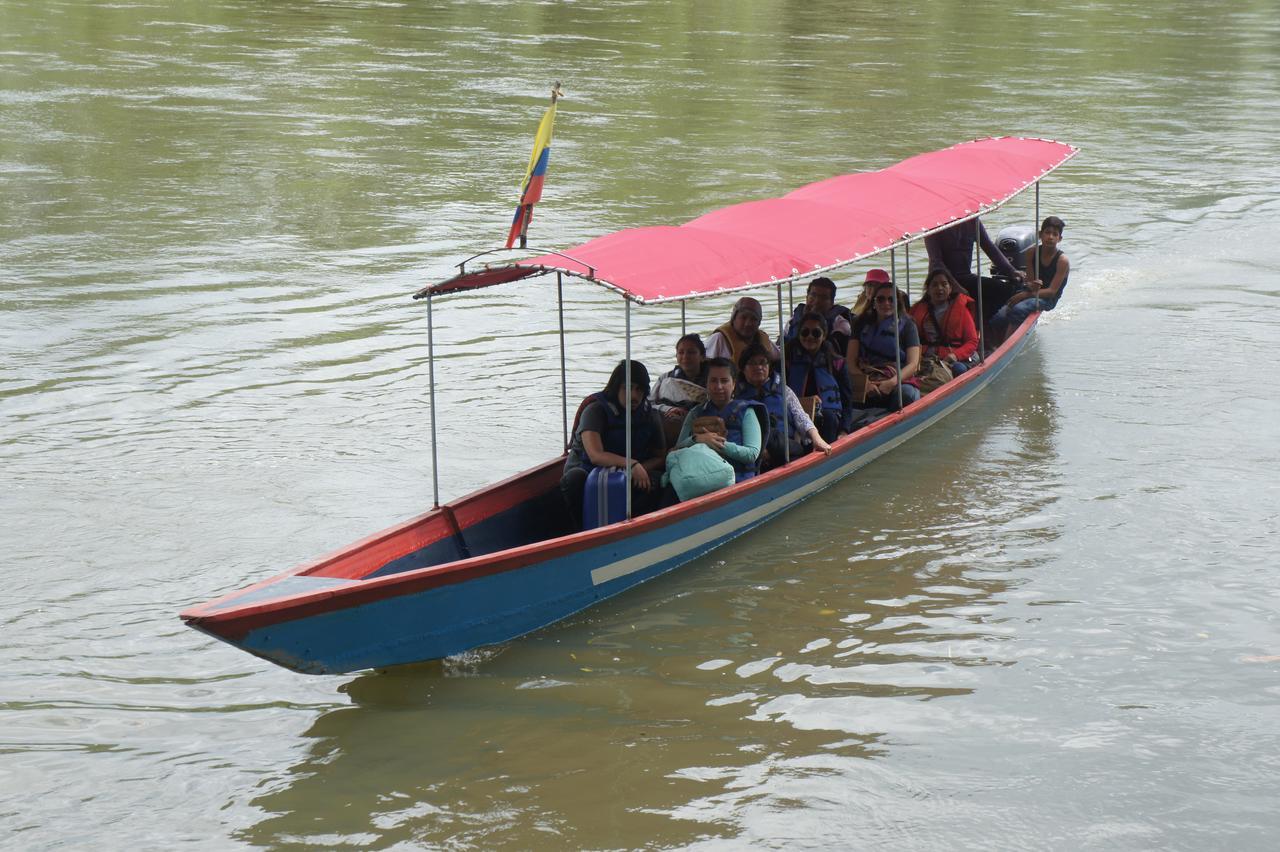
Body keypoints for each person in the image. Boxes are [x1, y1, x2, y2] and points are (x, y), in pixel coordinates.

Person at [560, 360, 666, 528]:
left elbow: (660, 456)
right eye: (628, 388)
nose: (634, 396)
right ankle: (579, 532)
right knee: (575, 479)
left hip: (629, 473)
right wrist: (631, 464)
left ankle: (634, 528)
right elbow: (596, 455)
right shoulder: (595, 410)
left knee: (657, 480)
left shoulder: (650, 415)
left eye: (639, 389)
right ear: (616, 387)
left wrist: (640, 469)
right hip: (588, 471)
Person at [735, 343, 832, 469]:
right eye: (752, 363)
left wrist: (817, 439)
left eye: (763, 363)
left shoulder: (784, 390)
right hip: (754, 454)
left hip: (788, 449)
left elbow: (801, 417)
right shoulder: (736, 397)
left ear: (769, 367)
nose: (759, 367)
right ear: (743, 369)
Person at [675, 358, 763, 482]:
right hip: (702, 478)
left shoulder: (747, 412)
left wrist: (717, 443)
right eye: (713, 381)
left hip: (737, 479)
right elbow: (678, 448)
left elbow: (752, 454)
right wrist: (697, 439)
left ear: (733, 384)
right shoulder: (696, 413)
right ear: (706, 383)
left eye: (724, 381)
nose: (719, 386)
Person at [987, 216, 1071, 345]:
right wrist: (1031, 286)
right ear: (1040, 235)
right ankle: (990, 345)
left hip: (1048, 298)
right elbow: (1030, 281)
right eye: (1047, 233)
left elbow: (1052, 292)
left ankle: (1005, 345)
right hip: (1031, 291)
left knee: (1018, 310)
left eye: (1055, 234)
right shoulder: (1031, 252)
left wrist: (1025, 295)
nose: (1050, 237)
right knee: (998, 318)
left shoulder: (1062, 261)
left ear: (1059, 239)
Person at [925, 218, 1025, 321]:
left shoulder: (972, 221)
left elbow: (989, 247)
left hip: (965, 277)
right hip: (942, 281)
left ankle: (987, 324)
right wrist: (956, 287)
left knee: (1009, 290)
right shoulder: (934, 225)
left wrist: (1012, 271)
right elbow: (936, 262)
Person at [846, 280, 922, 411]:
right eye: (881, 299)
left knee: (906, 395)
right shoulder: (860, 323)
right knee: (842, 394)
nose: (886, 303)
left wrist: (891, 383)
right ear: (874, 302)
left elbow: (913, 364)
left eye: (891, 299)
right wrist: (865, 383)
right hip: (867, 376)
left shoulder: (908, 325)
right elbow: (850, 362)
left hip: (897, 378)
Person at [784, 311, 854, 442]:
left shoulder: (836, 363)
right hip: (797, 412)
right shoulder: (787, 361)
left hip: (828, 417)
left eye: (816, 333)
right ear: (799, 334)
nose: (810, 337)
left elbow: (847, 400)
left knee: (829, 417)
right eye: (805, 332)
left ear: (824, 335)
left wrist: (844, 429)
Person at [908, 267, 979, 375]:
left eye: (944, 284)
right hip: (928, 356)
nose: (939, 288)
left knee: (958, 369)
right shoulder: (917, 310)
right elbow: (909, 338)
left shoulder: (961, 310)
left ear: (950, 288)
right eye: (935, 285)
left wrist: (955, 355)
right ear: (928, 289)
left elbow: (972, 341)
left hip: (956, 357)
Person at [651, 333, 710, 443]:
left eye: (691, 352)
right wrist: (668, 409)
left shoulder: (711, 379)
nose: (685, 357)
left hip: (698, 423)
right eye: (681, 352)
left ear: (702, 357)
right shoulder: (666, 377)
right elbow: (650, 403)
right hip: (665, 418)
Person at [661, 416, 736, 502]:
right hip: (724, 479)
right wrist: (720, 442)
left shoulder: (681, 452)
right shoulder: (719, 451)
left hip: (686, 486)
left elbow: (669, 469)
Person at [705, 296, 780, 367]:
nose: (748, 323)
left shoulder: (763, 339)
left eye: (754, 319)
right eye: (743, 317)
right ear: (734, 318)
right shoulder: (718, 339)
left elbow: (779, 357)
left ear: (759, 323)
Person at [782, 277, 852, 353]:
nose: (817, 301)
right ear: (807, 297)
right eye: (813, 295)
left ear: (831, 303)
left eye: (823, 298)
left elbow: (836, 351)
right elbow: (781, 348)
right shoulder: (792, 322)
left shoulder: (841, 325)